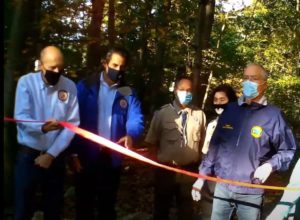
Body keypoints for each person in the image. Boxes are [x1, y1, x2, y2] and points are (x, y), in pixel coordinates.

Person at [191, 63, 297, 220]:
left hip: (251, 192)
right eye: (245, 78)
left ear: (264, 84)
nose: (248, 82)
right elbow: (214, 147)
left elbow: (288, 150)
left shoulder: (274, 116)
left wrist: (270, 165)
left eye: (253, 79)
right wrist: (201, 178)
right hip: (222, 188)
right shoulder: (230, 110)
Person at [70, 47, 144, 220]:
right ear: (105, 63)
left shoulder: (127, 91)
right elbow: (72, 119)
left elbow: (136, 117)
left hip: (111, 157)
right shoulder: (85, 86)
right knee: (84, 205)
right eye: (114, 65)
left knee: (107, 205)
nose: (118, 70)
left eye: (122, 67)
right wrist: (73, 153)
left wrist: (131, 135)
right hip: (85, 155)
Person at [14, 45, 80, 220]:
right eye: (52, 67)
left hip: (55, 159)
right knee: (23, 210)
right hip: (28, 157)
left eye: (60, 67)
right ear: (41, 65)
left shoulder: (69, 86)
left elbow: (72, 124)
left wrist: (51, 155)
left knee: (54, 208)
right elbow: (21, 117)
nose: (57, 71)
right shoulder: (26, 82)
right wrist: (41, 128)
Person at [145, 76, 206, 220]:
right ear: (175, 91)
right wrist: (156, 167)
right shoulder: (162, 113)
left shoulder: (200, 115)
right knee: (161, 209)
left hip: (189, 171)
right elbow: (151, 142)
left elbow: (203, 144)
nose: (186, 93)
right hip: (166, 170)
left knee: (186, 211)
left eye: (189, 90)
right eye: (182, 90)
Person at [200, 84, 237, 220]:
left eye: (222, 100)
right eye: (216, 100)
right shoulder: (211, 125)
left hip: (228, 180)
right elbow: (205, 152)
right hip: (209, 177)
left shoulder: (239, 124)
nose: (218, 103)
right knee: (207, 213)